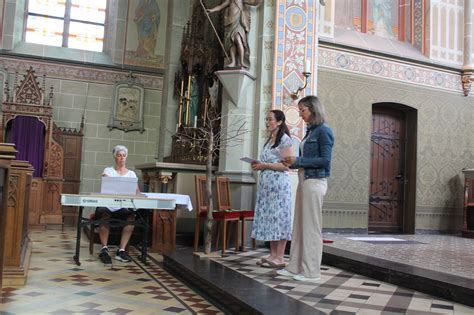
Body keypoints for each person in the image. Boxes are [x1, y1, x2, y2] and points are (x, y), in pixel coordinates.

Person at [278, 95, 334, 282]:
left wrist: (299, 160)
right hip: (304, 179)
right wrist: (291, 162)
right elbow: (305, 160)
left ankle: (311, 272)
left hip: (315, 182)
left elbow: (325, 161)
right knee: (299, 226)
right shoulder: (311, 132)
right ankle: (294, 267)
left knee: (311, 228)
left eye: (303, 110)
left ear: (313, 109)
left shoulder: (324, 131)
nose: (300, 114)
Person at [251, 110, 293, 268]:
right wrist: (258, 165)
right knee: (271, 219)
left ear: (280, 121)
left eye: (270, 119)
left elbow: (286, 165)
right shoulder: (270, 139)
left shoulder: (285, 139)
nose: (267, 122)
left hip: (279, 186)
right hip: (267, 187)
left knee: (279, 219)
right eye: (266, 119)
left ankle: (280, 257)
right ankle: (273, 254)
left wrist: (265, 165)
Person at [95, 145, 139, 265]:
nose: (122, 158)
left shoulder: (131, 174)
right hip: (108, 204)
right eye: (119, 155)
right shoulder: (108, 171)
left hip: (123, 205)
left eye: (124, 156)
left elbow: (136, 191)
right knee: (105, 214)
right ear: (115, 157)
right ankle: (104, 249)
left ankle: (121, 250)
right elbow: (106, 185)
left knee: (131, 217)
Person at [206, 0, 262, 68]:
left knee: (238, 40)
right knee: (231, 42)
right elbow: (220, 7)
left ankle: (241, 61)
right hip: (230, 22)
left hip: (238, 23)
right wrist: (211, 10)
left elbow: (253, 3)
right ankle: (233, 61)